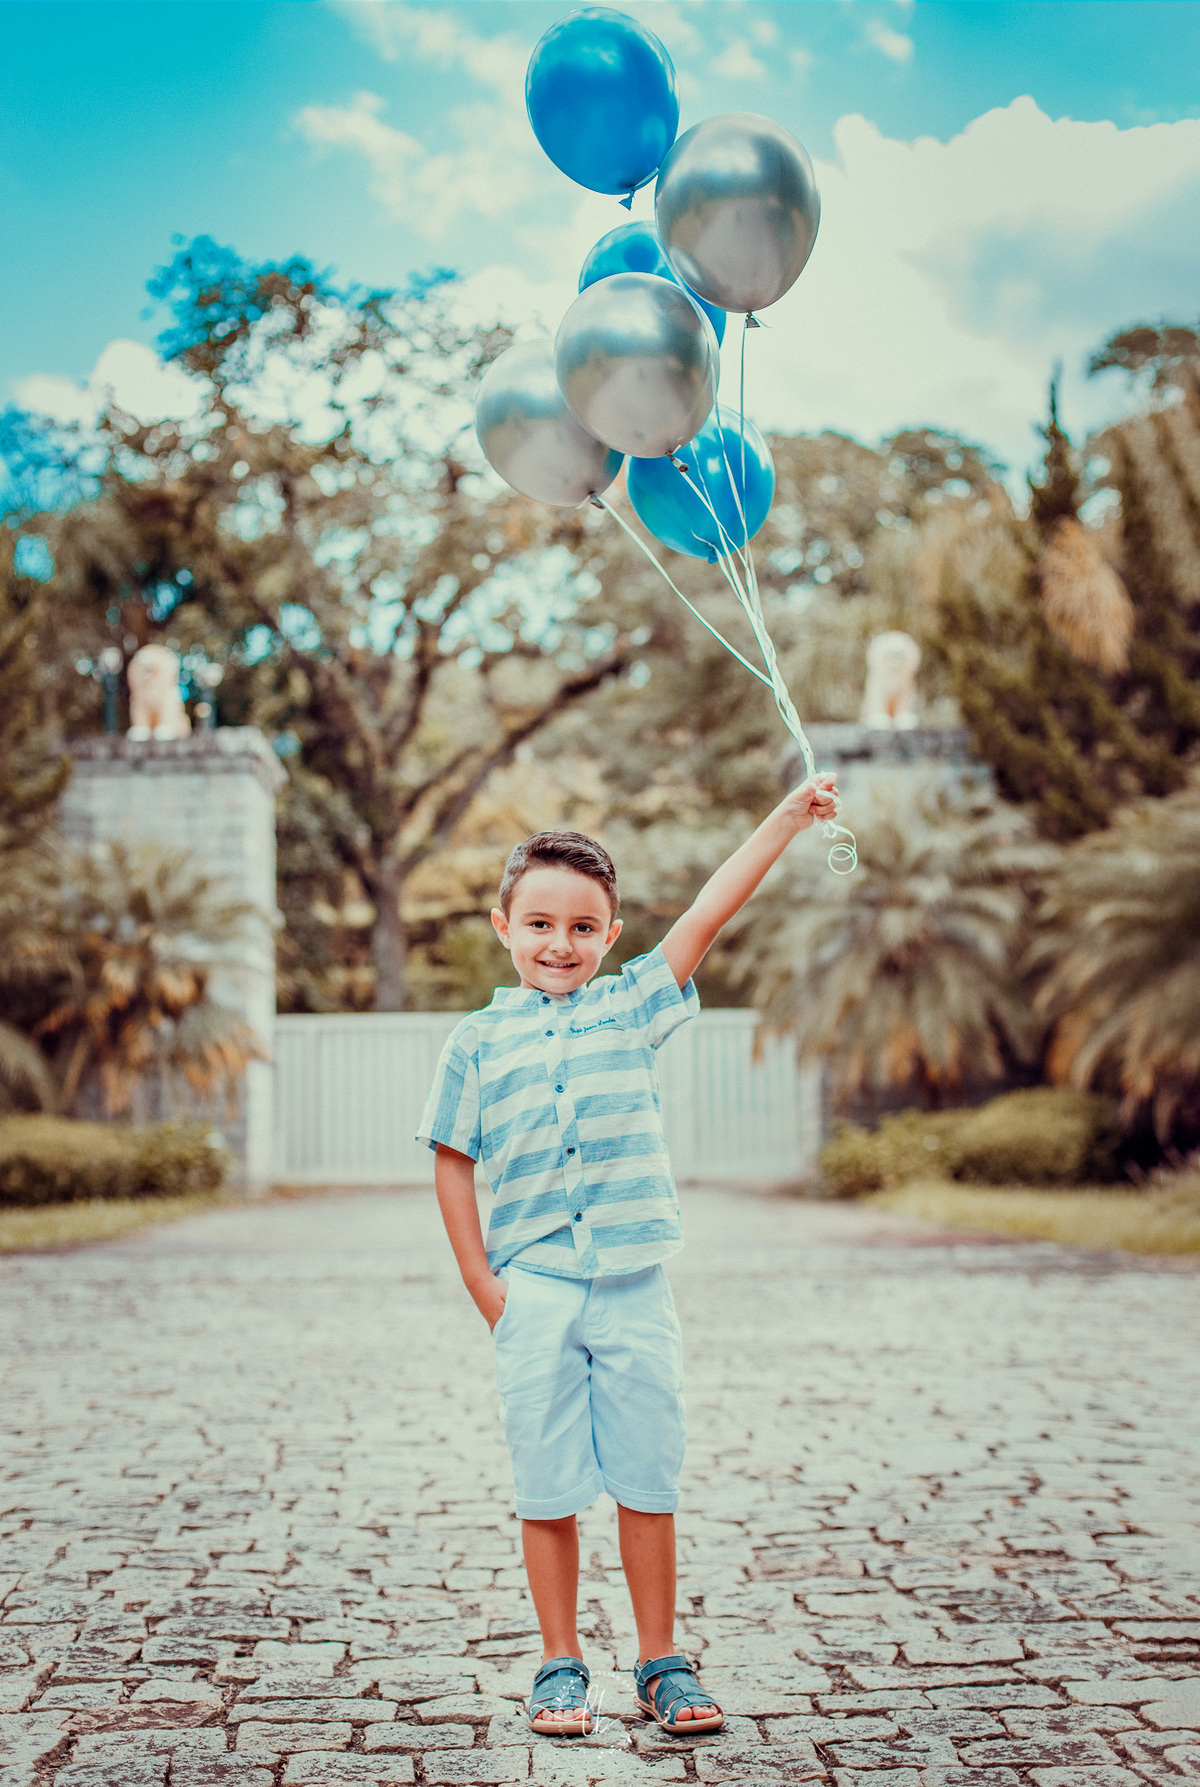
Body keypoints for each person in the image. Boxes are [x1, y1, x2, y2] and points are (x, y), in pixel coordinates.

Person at [417, 773, 839, 1737]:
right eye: (538, 923)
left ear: (609, 936)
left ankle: (661, 1662)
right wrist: (488, 1287)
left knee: (648, 1481)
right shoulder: (475, 1042)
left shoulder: (634, 1006)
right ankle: (559, 1662)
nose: (557, 943)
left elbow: (709, 909)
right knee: (547, 1485)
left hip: (635, 1288)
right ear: (503, 926)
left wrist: (784, 815)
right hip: (534, 1294)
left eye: (580, 926)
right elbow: (451, 1162)